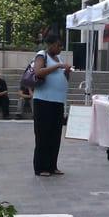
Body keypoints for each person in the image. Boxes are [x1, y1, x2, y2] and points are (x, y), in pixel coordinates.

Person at [32, 34, 71, 177]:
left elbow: (63, 78)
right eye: (58, 45)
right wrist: (58, 66)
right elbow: (38, 71)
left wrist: (66, 72)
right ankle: (41, 167)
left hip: (57, 101)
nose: (61, 48)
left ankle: (52, 165)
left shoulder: (58, 59)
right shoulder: (42, 55)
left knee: (55, 135)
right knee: (43, 135)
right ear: (50, 44)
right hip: (43, 101)